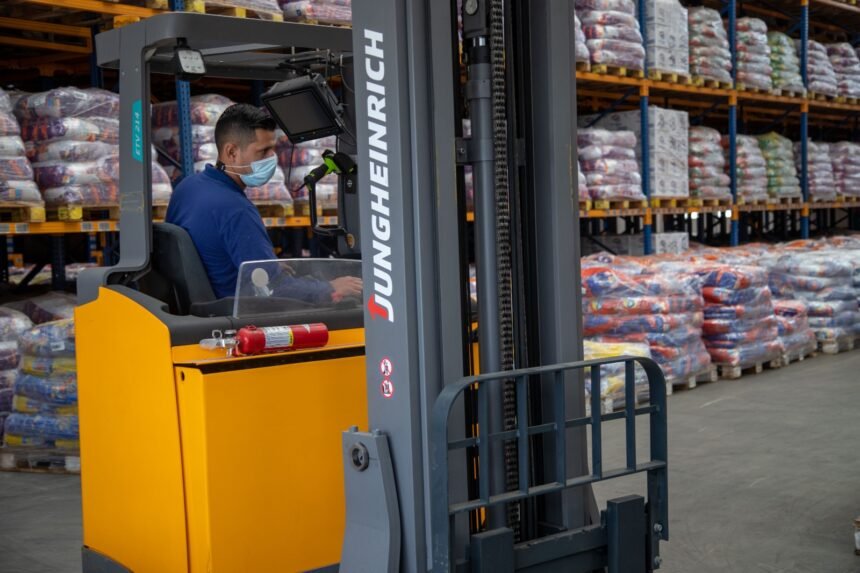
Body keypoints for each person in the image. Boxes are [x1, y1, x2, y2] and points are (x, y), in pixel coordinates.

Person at [165, 103, 362, 303]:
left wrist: (267, 267)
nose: (272, 158)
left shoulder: (187, 187)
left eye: (273, 149)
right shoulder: (236, 210)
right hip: (235, 312)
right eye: (263, 151)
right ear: (232, 152)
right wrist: (329, 288)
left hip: (199, 306)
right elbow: (274, 290)